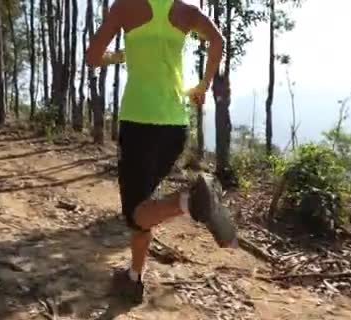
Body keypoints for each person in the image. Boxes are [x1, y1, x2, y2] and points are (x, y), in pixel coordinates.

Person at [86, 0, 238, 304]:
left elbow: (92, 58)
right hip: (174, 126)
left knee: (136, 213)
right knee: (143, 209)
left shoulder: (124, 7)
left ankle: (190, 201)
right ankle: (134, 277)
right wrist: (203, 86)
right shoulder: (186, 12)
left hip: (139, 123)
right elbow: (218, 41)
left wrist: (119, 55)